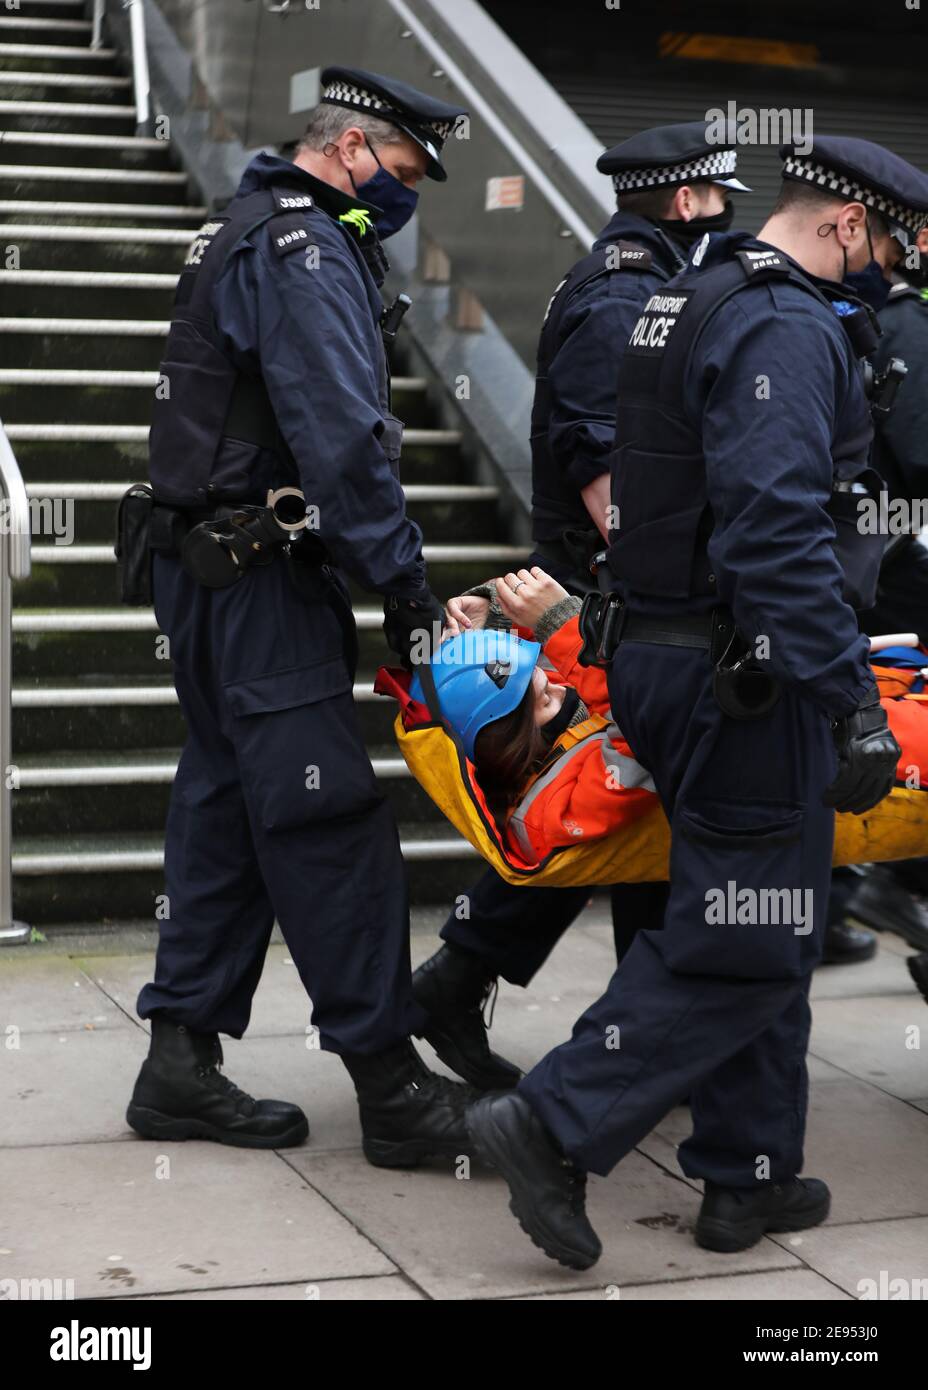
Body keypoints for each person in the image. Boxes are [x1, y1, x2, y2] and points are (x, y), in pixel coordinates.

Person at [466, 136, 928, 1271]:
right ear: (846, 225)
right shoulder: (782, 324)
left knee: (756, 900)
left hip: (670, 654)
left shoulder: (684, 299)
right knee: (752, 934)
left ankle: (747, 1176)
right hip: (745, 673)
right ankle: (552, 1123)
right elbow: (773, 529)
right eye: (890, 243)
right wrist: (846, 701)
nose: (890, 266)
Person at [125, 66, 478, 1170]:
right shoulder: (303, 246)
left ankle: (179, 1061)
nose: (409, 194)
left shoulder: (244, 222)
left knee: (229, 810)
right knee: (327, 824)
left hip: (211, 573)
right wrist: (405, 583)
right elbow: (338, 433)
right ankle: (392, 1089)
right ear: (354, 148)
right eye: (407, 170)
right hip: (259, 578)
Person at [415, 121, 750, 1094]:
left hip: (608, 599)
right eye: (722, 198)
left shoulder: (623, 280)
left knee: (621, 817)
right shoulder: (622, 299)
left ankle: (469, 979)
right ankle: (638, 1054)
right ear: (688, 201)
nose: (733, 216)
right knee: (640, 813)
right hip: (612, 604)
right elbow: (613, 479)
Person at [838, 224, 928, 956]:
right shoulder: (907, 328)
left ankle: (875, 889)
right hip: (899, 569)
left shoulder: (886, 324)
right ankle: (889, 887)